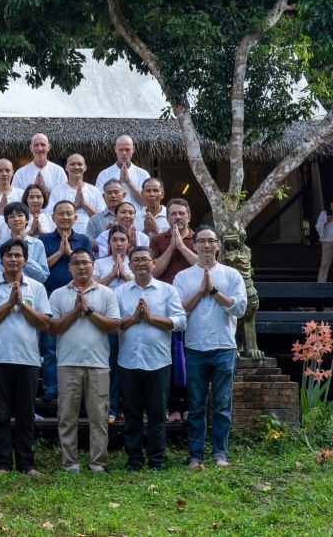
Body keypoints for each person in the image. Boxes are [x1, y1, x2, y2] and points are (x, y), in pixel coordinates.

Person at [174, 227, 248, 468]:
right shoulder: (183, 277)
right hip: (194, 347)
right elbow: (178, 311)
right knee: (195, 406)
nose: (206, 245)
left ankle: (220, 454)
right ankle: (195, 455)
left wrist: (214, 291)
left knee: (222, 405)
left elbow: (240, 309)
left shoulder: (231, 275)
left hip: (224, 347)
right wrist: (200, 291)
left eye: (211, 241)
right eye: (201, 241)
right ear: (194, 244)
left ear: (218, 245)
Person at [0, 238, 52, 475]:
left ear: (25, 260)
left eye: (18, 255)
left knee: (25, 415)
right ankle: (3, 464)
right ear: (1, 259)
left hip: (28, 360)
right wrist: (9, 304)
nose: (13, 259)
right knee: (0, 415)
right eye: (9, 255)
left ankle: (26, 464)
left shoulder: (36, 288)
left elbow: (45, 323)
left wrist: (23, 305)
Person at [48, 249, 121, 473]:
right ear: (69, 267)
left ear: (93, 266)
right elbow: (52, 328)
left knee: (99, 417)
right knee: (67, 416)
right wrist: (74, 312)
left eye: (86, 263)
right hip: (67, 363)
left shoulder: (106, 293)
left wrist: (88, 311)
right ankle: (70, 462)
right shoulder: (58, 294)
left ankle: (98, 462)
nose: (81, 267)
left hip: (98, 364)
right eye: (76, 263)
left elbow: (114, 326)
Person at [115, 246, 186, 471]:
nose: (141, 263)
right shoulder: (120, 292)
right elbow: (113, 325)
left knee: (157, 413)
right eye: (136, 260)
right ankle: (134, 459)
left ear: (154, 264)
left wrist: (153, 319)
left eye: (145, 259)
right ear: (129, 265)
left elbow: (181, 322)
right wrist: (134, 318)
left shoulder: (167, 290)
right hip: (128, 361)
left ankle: (157, 459)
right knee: (132, 414)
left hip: (158, 362)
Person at [37, 200, 92, 406]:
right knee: (50, 348)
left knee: (78, 345)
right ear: (53, 217)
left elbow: (87, 266)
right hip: (50, 297)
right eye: (61, 213)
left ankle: (78, 391)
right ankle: (51, 389)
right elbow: (40, 269)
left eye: (69, 213)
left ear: (76, 218)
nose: (65, 217)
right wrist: (60, 252)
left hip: (79, 296)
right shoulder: (43, 240)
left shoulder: (83, 240)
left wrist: (70, 253)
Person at [149, 198, 197, 423]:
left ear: (189, 216)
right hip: (165, 308)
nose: (177, 217)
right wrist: (171, 247)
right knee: (169, 357)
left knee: (190, 358)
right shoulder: (158, 240)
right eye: (173, 214)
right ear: (167, 218)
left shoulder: (199, 238)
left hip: (194, 306)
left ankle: (189, 405)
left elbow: (204, 266)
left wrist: (182, 246)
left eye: (181, 213)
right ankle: (174, 407)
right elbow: (154, 272)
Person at [93, 226, 135, 423]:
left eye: (122, 240)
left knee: (128, 365)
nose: (119, 244)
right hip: (107, 320)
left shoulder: (135, 261)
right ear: (108, 243)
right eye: (115, 240)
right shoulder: (99, 263)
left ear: (129, 243)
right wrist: (111, 274)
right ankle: (111, 407)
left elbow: (141, 283)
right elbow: (93, 287)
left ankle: (129, 406)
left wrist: (125, 273)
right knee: (110, 365)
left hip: (131, 320)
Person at [0, 202, 49, 284]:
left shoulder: (37, 244)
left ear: (27, 220)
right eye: (11, 216)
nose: (16, 219)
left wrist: (24, 258)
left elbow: (43, 277)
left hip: (31, 288)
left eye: (20, 215)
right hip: (5, 287)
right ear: (7, 222)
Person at [48, 154, 105, 235]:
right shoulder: (57, 191)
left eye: (79, 164)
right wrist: (75, 205)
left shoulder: (94, 191)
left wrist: (85, 205)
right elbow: (51, 217)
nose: (76, 167)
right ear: (66, 167)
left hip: (91, 237)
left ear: (85, 167)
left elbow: (102, 219)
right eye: (72, 164)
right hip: (66, 236)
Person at [95, 134, 151, 207]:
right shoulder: (104, 174)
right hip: (113, 214)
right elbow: (99, 202)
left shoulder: (143, 174)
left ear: (133, 149)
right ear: (115, 149)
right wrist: (120, 183)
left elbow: (146, 203)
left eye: (127, 150)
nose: (124, 153)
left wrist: (129, 182)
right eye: (121, 150)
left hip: (137, 214)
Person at [85, 179, 129, 248]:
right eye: (109, 193)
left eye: (116, 192)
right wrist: (105, 234)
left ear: (124, 195)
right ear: (103, 197)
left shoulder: (132, 216)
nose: (113, 195)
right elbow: (89, 247)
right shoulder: (95, 219)